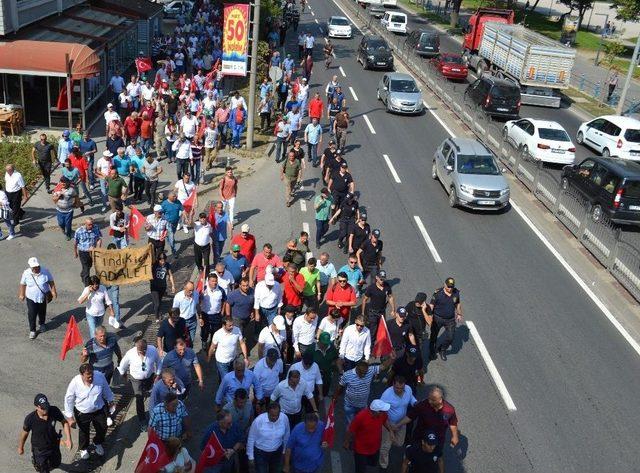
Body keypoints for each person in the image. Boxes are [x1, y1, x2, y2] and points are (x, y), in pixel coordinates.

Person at [63, 363, 115, 460]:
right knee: (84, 431)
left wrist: (111, 400)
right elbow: (69, 399)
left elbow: (106, 389)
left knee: (103, 427)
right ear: (82, 375)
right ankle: (83, 448)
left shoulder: (99, 377)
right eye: (88, 377)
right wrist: (70, 417)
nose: (91, 378)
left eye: (92, 376)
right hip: (82, 412)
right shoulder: (75, 383)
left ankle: (97, 442)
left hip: (98, 409)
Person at [19, 394, 72, 472]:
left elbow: (64, 422)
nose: (46, 409)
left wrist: (68, 439)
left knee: (56, 463)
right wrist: (20, 447)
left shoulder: (54, 410)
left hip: (53, 444)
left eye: (46, 406)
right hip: (40, 449)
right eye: (43, 408)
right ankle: (39, 463)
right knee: (43, 469)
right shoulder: (30, 419)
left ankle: (46, 465)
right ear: (36, 407)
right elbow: (24, 433)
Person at [334, 357, 394, 425]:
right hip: (349, 405)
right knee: (351, 425)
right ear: (356, 369)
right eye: (361, 373)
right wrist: (335, 397)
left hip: (363, 405)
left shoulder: (370, 370)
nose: (363, 375)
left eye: (365, 373)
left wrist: (392, 359)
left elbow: (383, 366)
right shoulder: (347, 375)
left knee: (362, 423)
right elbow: (340, 386)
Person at [118, 339, 161, 430]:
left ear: (147, 347)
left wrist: (157, 374)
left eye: (145, 350)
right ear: (137, 348)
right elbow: (122, 366)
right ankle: (142, 420)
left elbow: (158, 362)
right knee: (139, 398)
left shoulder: (152, 350)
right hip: (136, 380)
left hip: (149, 377)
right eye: (141, 351)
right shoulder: (130, 354)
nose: (143, 353)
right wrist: (124, 375)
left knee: (150, 393)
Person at [379, 376, 417, 470]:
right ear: (393, 385)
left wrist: (415, 403)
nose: (399, 390)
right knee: (385, 448)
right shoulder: (386, 395)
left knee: (400, 443)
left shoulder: (408, 389)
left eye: (401, 388)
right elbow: (381, 412)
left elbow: (411, 398)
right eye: (397, 388)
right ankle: (383, 466)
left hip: (401, 422)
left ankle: (383, 441)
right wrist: (390, 429)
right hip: (388, 423)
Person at [344, 400, 393, 473]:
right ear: (377, 411)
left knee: (373, 463)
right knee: (360, 470)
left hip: (375, 447)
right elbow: (351, 431)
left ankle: (363, 463)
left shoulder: (382, 415)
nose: (384, 412)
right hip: (361, 450)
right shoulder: (360, 417)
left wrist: (390, 430)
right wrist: (346, 442)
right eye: (382, 410)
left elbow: (385, 421)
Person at [19, 257, 57, 340]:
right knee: (32, 313)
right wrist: (22, 294)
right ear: (31, 267)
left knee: (42, 311)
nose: (36, 268)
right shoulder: (26, 273)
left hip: (42, 296)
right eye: (34, 267)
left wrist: (53, 291)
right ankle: (32, 330)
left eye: (37, 266)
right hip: (31, 297)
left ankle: (42, 324)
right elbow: (23, 284)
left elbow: (51, 281)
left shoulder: (45, 271)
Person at [247, 402, 290, 473]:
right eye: (272, 415)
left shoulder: (284, 418)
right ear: (267, 413)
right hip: (261, 453)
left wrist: (284, 451)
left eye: (277, 415)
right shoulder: (258, 421)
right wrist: (251, 457)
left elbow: (287, 435)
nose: (275, 418)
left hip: (277, 452)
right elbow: (251, 439)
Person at [429, 277, 463, 361]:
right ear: (444, 284)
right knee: (433, 336)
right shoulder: (437, 293)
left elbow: (457, 303)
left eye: (451, 286)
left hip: (450, 319)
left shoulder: (456, 293)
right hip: (437, 318)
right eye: (448, 286)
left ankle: (442, 349)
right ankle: (432, 351)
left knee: (450, 337)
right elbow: (431, 305)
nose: (450, 288)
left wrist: (459, 313)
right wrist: (430, 316)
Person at [207, 316, 249, 381]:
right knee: (226, 380)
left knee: (233, 377)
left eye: (232, 325)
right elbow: (212, 347)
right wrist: (209, 358)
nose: (232, 327)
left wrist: (245, 358)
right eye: (229, 325)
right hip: (222, 362)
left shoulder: (237, 330)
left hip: (233, 360)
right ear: (223, 325)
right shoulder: (218, 334)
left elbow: (242, 343)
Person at [361, 269, 394, 339]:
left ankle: (379, 346)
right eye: (381, 278)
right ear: (377, 278)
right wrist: (363, 313)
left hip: (382, 312)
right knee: (373, 331)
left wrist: (393, 309)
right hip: (373, 313)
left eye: (383, 279)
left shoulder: (387, 286)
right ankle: (371, 346)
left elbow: (390, 297)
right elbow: (365, 300)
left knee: (382, 330)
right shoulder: (371, 288)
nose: (382, 280)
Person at [201, 273, 228, 353]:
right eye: (212, 281)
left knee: (215, 331)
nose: (214, 283)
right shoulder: (203, 290)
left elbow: (224, 301)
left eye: (216, 281)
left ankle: (213, 344)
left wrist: (222, 311)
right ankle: (204, 341)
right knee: (205, 330)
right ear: (208, 281)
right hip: (205, 314)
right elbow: (198, 301)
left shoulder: (221, 290)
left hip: (216, 315)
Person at [151, 252, 176, 323]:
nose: (163, 262)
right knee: (157, 303)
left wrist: (173, 285)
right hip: (154, 286)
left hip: (162, 286)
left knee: (159, 300)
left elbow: (170, 275)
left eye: (164, 260)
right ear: (158, 260)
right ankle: (157, 317)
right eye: (161, 260)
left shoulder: (167, 265)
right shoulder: (154, 265)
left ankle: (157, 309)